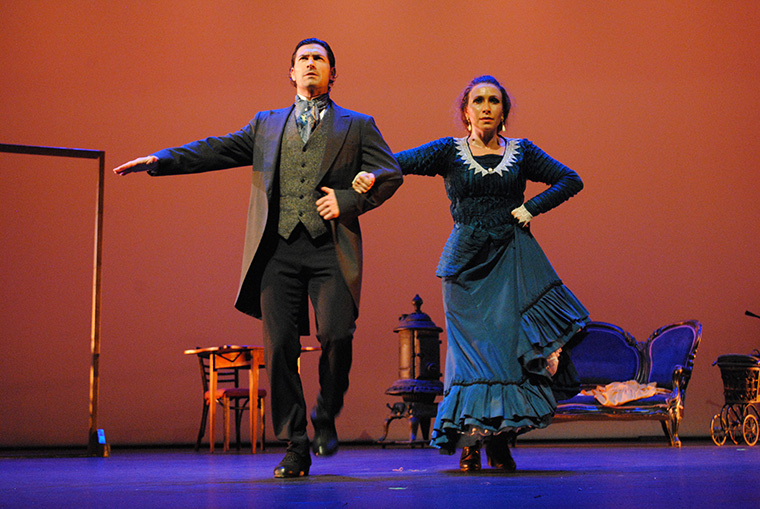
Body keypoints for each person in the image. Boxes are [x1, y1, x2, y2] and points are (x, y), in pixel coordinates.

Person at [114, 38, 402, 478]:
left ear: (332, 74)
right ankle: (295, 444)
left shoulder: (358, 125)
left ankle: (325, 414)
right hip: (278, 251)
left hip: (329, 250)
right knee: (280, 347)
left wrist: (348, 200)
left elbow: (390, 173)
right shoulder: (266, 124)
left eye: (318, 59)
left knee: (337, 336)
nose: (310, 64)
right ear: (291, 72)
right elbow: (216, 149)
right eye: (303, 59)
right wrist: (162, 159)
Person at [353, 75, 588, 472]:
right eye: (477, 100)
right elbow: (399, 162)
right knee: (468, 361)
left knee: (506, 359)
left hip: (510, 262)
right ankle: (468, 443)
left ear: (503, 112)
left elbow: (571, 179)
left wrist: (532, 208)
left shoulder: (522, 152)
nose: (485, 106)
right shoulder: (449, 151)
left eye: (493, 101)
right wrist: (371, 174)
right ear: (465, 112)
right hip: (465, 269)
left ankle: (497, 442)